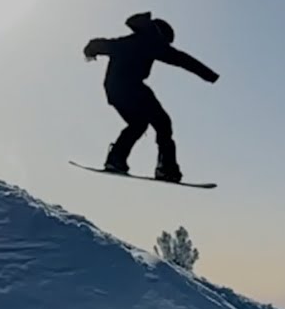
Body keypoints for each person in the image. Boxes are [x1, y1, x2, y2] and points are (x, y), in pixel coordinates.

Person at [83, 12, 219, 182]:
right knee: (163, 123)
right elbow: (182, 59)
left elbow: (101, 44)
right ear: (162, 36)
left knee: (138, 124)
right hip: (132, 88)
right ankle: (166, 169)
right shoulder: (153, 42)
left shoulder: (126, 41)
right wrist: (210, 75)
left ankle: (116, 160)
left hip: (113, 90)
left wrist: (89, 51)